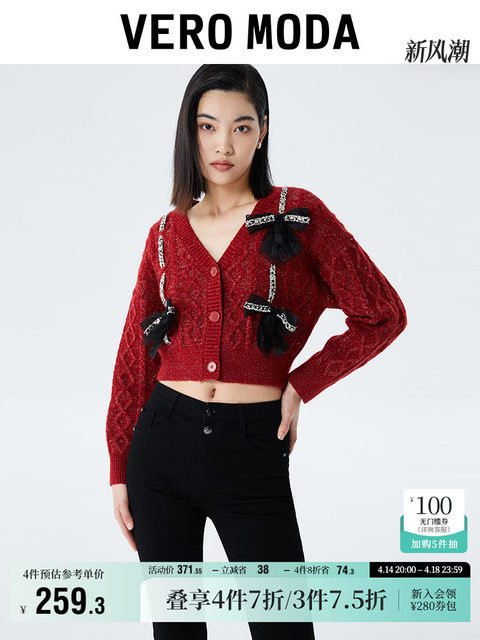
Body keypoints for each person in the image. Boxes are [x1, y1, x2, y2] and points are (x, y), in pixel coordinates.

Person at [105, 64, 407, 640]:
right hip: (160, 450)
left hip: (252, 452)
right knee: (176, 632)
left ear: (262, 130)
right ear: (190, 132)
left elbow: (383, 314)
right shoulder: (165, 235)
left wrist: (302, 384)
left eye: (241, 127)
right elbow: (134, 357)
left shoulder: (299, 215)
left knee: (284, 627)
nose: (223, 144)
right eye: (208, 126)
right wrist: (119, 466)